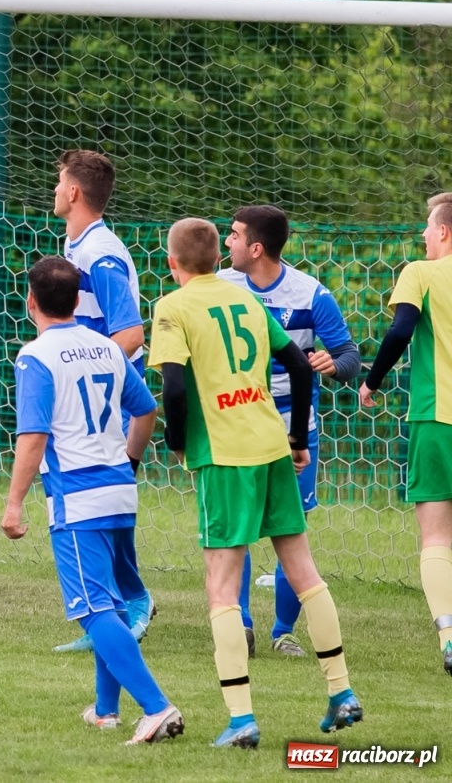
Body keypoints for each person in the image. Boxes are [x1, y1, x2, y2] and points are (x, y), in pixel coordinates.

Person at [146, 217, 362, 748]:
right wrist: (297, 438)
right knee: (305, 571)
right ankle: (341, 692)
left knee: (221, 585)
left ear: (172, 264)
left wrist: (176, 441)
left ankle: (241, 719)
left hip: (225, 457)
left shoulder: (172, 307)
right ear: (220, 258)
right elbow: (300, 364)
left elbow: (173, 387)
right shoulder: (247, 302)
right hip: (271, 445)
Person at [1, 257, 185, 746]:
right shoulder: (107, 347)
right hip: (120, 490)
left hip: (77, 497)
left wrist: (14, 502)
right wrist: (128, 459)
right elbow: (146, 410)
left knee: (92, 609)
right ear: (80, 300)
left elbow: (34, 436)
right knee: (114, 602)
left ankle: (156, 707)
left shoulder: (35, 356)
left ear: (31, 302)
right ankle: (105, 710)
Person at [219, 204, 360, 657]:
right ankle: (240, 627)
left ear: (256, 248)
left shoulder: (310, 294)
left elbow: (350, 356)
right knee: (235, 531)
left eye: (235, 235)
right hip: (236, 426)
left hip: (293, 430)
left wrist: (332, 364)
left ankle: (283, 631)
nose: (228, 242)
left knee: (290, 531)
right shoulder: (219, 288)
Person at [51, 149, 153, 650]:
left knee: (97, 501)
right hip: (84, 392)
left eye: (58, 181)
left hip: (100, 397)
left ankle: (131, 599)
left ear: (74, 192)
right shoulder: (75, 245)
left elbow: (131, 334)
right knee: (80, 499)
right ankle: (105, 610)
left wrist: (81, 371)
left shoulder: (101, 253)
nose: (54, 189)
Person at [359, 191, 452, 677]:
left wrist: (371, 381)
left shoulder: (421, 272)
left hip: (438, 417)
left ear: (443, 231)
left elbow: (399, 332)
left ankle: (449, 635)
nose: (422, 236)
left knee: (436, 533)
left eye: (427, 229)